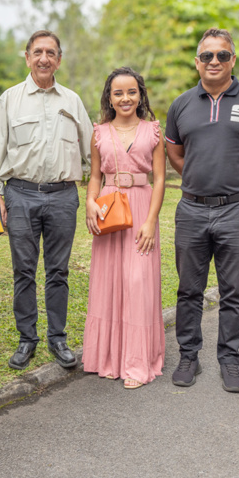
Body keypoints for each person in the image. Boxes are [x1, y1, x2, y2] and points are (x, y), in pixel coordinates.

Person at [165, 28, 239, 392]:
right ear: (196, 62)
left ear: (233, 60)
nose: (214, 62)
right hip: (191, 211)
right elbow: (175, 152)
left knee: (233, 291)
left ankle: (230, 361)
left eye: (222, 55)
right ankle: (188, 357)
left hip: (237, 212)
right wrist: (200, 181)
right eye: (207, 56)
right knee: (189, 290)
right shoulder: (182, 104)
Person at [0, 30, 94, 370]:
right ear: (28, 57)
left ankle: (57, 338)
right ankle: (26, 339)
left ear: (59, 59)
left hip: (63, 196)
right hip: (20, 194)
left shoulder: (72, 101)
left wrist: (90, 182)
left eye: (50, 52)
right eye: (37, 52)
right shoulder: (9, 99)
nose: (44, 58)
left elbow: (92, 150)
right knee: (24, 271)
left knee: (58, 271)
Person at [83, 67, 166, 389]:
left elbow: (160, 179)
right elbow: (94, 175)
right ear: (109, 97)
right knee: (109, 282)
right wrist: (91, 201)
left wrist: (151, 221)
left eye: (131, 91)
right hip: (108, 207)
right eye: (118, 93)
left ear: (140, 95)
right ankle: (107, 358)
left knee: (137, 282)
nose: (125, 98)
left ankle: (136, 363)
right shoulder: (99, 132)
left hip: (143, 207)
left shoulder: (153, 130)